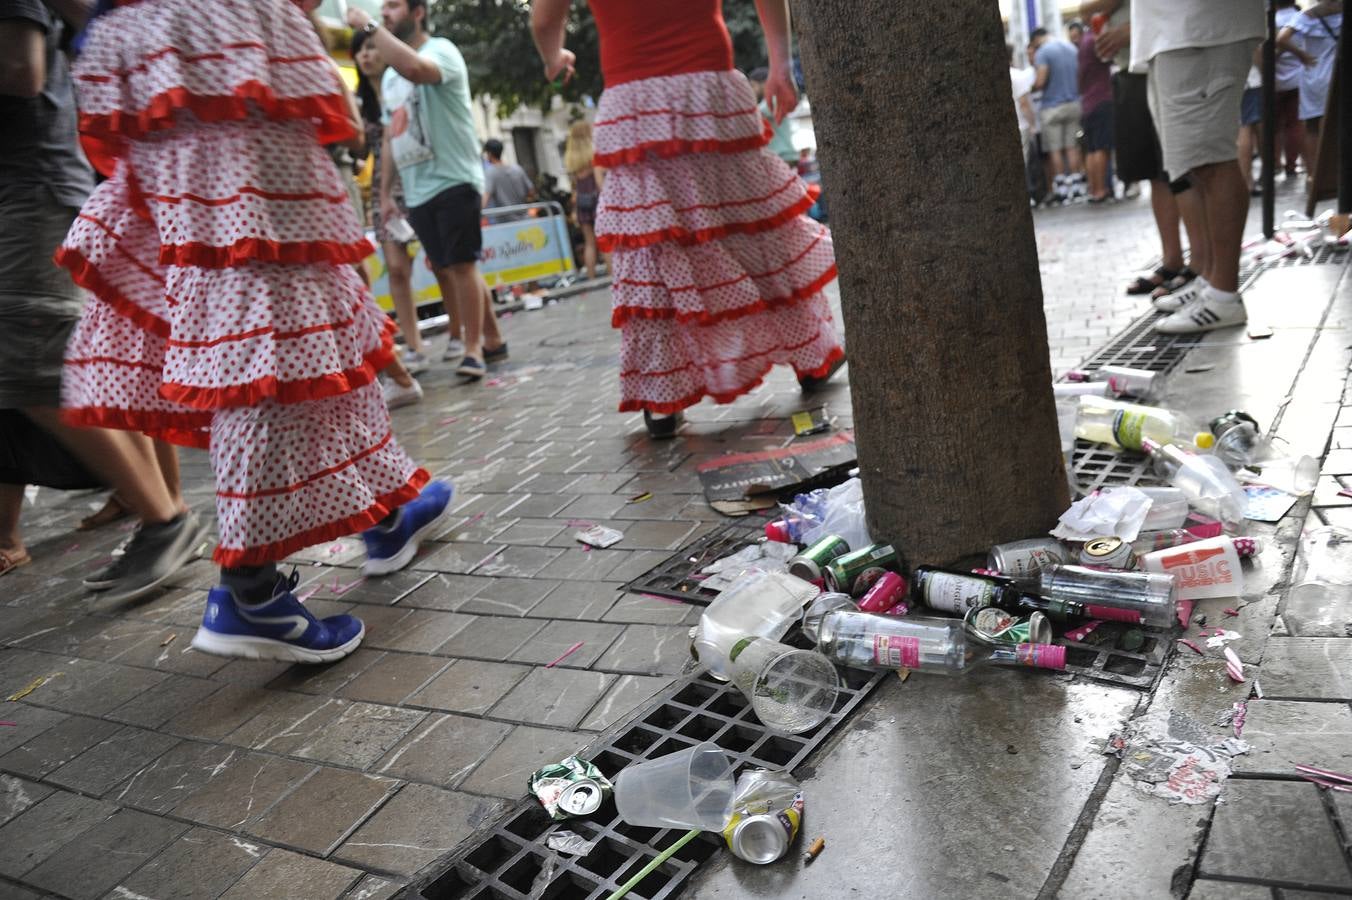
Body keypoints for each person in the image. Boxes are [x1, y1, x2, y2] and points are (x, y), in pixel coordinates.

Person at [60, 0, 454, 661]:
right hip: (217, 29)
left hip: (160, 37)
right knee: (267, 318)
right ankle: (250, 591)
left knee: (301, 313)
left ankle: (385, 515)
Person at [531, 0, 844, 438]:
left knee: (654, 244)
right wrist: (779, 65)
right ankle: (813, 356)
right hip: (709, 85)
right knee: (749, 223)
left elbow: (545, 19)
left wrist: (554, 57)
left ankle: (663, 400)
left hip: (632, 99)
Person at [0, 0, 203, 595]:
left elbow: (21, 69)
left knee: (30, 367)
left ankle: (165, 519)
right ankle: (163, 513)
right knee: (102, 360)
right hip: (47, 190)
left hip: (36, 192)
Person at [346, 0, 507, 381]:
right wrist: (385, 194)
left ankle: (472, 349)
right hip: (417, 190)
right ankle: (494, 338)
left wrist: (368, 26)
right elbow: (389, 138)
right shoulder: (388, 78)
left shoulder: (441, 50)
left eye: (393, 6)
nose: (385, 14)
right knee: (451, 265)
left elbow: (417, 69)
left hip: (453, 177)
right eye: (382, 8)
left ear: (418, 12)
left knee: (462, 264)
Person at [1130, 0, 1263, 334]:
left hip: (1198, 28)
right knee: (1195, 166)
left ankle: (1223, 294)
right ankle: (1211, 281)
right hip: (1176, 31)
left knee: (1210, 161)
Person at [1087, 0, 1205, 305]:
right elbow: (1086, 8)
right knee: (1154, 170)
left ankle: (1201, 266)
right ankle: (1173, 261)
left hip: (1168, 56)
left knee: (1181, 168)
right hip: (1132, 65)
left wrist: (1134, 29)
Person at [353, 27, 432, 387]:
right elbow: (359, 149)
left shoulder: (399, 87)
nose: (367, 55)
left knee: (439, 262)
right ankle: (413, 344)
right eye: (360, 50)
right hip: (381, 191)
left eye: (371, 47)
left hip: (415, 179)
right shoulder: (358, 101)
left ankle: (465, 336)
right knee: (396, 269)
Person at [1030, 27, 1087, 204]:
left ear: (1036, 40)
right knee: (1072, 147)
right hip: (1074, 103)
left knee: (1055, 149)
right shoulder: (1071, 48)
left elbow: (1040, 81)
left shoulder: (1043, 52)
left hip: (1052, 106)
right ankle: (1076, 186)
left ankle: (1062, 188)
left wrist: (1030, 89)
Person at [1279, 2, 1343, 158]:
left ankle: (1314, 175)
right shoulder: (1344, 10)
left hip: (1314, 76)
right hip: (1339, 74)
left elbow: (1281, 39)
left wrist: (1302, 56)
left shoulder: (1308, 15)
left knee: (1312, 127)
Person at [1077, 23, 1115, 202]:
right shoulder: (1095, 40)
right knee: (1102, 147)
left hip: (1087, 102)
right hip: (1102, 98)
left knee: (1091, 149)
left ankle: (1094, 190)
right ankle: (1101, 190)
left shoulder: (1084, 42)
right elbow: (1111, 57)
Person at [564, 119, 605, 280]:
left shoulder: (571, 158)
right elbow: (599, 181)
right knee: (604, 241)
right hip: (596, 200)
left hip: (582, 202)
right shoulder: (592, 154)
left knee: (589, 242)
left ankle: (591, 277)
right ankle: (611, 275)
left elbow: (574, 186)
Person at [1273, 0, 1307, 178]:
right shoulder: (1300, 18)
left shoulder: (1271, 21)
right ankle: (1292, 164)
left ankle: (1276, 163)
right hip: (1297, 79)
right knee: (1295, 124)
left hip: (1274, 81)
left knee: (1274, 126)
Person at [747, 66, 799, 166]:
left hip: (782, 154)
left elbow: (756, 113)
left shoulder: (773, 100)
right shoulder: (767, 103)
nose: (751, 90)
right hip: (782, 155)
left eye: (753, 86)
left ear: (764, 84)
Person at [482, 138, 535, 211]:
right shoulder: (517, 169)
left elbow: (485, 200)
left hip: (505, 220)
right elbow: (531, 192)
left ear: (489, 154)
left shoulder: (491, 173)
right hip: (524, 218)